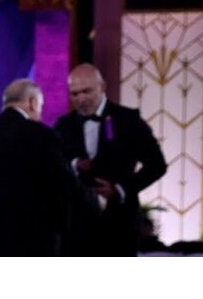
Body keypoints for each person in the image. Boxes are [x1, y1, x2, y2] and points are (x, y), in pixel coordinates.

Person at [0, 79, 100, 256]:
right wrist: (95, 200)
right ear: (32, 102)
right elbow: (66, 182)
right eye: (41, 107)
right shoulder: (43, 135)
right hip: (29, 244)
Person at [54, 63, 166, 256]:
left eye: (86, 91)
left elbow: (157, 165)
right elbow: (54, 165)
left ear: (103, 87)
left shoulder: (129, 120)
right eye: (75, 94)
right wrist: (74, 164)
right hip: (76, 229)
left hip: (119, 225)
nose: (81, 99)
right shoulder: (63, 125)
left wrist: (120, 189)